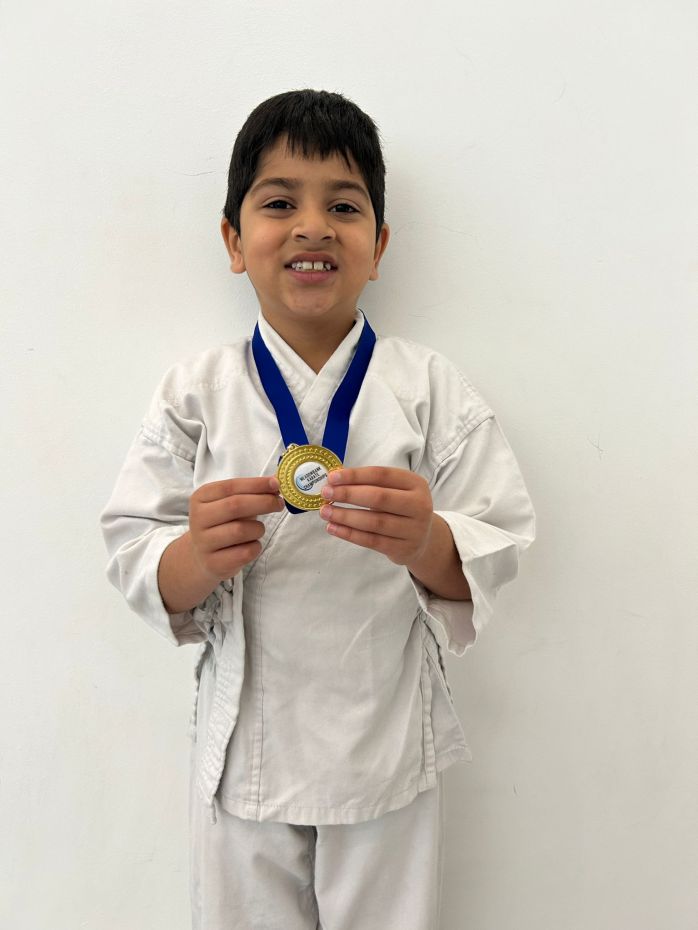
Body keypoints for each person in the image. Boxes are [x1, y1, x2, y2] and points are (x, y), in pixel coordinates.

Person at [100, 89, 536, 930]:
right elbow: (133, 548)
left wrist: (427, 540)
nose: (313, 227)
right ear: (233, 241)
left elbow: (499, 539)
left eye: (343, 206)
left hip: (387, 743)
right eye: (278, 204)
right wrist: (195, 556)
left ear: (379, 245)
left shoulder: (426, 388)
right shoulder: (196, 393)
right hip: (245, 748)